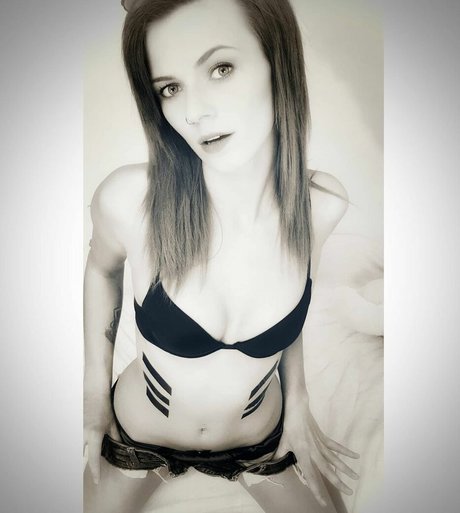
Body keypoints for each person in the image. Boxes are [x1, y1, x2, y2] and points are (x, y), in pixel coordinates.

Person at [83, 0, 360, 511]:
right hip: (137, 436)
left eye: (221, 68)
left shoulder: (320, 207)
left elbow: (294, 305)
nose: (194, 112)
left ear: (277, 60)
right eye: (169, 88)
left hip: (263, 443)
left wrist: (298, 404)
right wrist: (93, 393)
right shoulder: (131, 200)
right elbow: (102, 270)